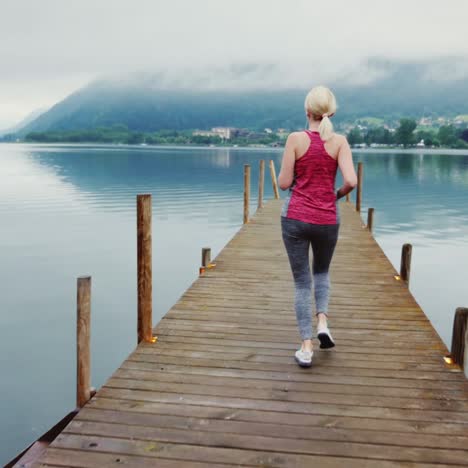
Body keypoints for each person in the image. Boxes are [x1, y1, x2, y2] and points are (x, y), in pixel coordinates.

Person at [278, 85, 357, 367]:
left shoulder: (295, 139)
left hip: (295, 219)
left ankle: (306, 347)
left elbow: (284, 184)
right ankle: (322, 322)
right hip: (327, 219)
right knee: (321, 272)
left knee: (302, 283)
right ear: (331, 112)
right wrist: (333, 196)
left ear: (307, 111)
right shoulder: (340, 142)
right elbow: (351, 181)